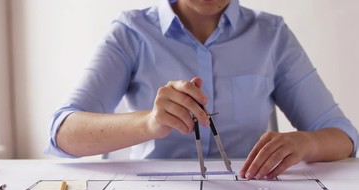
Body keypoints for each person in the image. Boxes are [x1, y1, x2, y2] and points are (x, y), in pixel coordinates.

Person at [47, 0, 358, 180]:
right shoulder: (131, 32)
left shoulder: (272, 35)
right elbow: (62, 133)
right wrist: (151, 122)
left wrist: (305, 144)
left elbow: (345, 136)